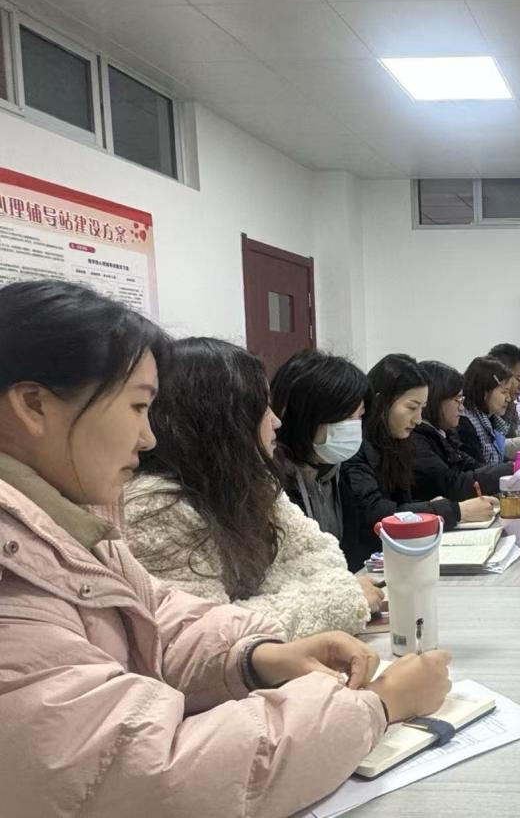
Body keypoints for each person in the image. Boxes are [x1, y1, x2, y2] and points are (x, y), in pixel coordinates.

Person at [0, 280, 451, 817]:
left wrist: (254, 656)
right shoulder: (31, 562)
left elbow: (156, 619)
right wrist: (376, 706)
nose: (148, 437)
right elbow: (151, 775)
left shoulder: (70, 519)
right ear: (34, 406)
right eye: (138, 406)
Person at [123, 338, 382, 638]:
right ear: (220, 418)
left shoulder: (254, 482)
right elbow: (207, 635)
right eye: (262, 407)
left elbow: (318, 557)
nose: (276, 421)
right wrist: (340, 600)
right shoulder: (155, 507)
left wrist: (306, 597)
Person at [341, 355, 498, 571]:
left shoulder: (396, 442)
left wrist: (428, 508)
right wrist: (455, 511)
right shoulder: (353, 447)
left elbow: (399, 502)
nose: (417, 419)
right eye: (412, 407)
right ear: (380, 402)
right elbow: (376, 513)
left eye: (422, 408)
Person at [270, 349, 368, 546]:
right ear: (304, 416)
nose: (354, 427)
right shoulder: (274, 485)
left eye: (360, 416)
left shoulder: (335, 471)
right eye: (346, 416)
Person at [413, 360, 520, 501]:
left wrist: (511, 470)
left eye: (462, 400)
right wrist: (508, 470)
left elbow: (471, 465)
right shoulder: (418, 439)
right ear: (435, 399)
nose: (461, 407)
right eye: (457, 400)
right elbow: (453, 485)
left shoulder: (446, 434)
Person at [457, 356, 514, 467]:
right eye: (504, 392)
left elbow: (497, 458)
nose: (509, 398)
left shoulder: (490, 419)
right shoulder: (464, 422)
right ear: (484, 391)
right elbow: (478, 469)